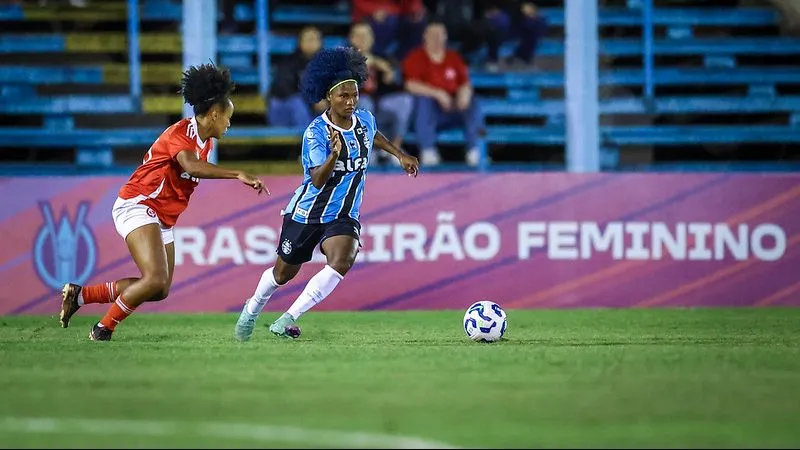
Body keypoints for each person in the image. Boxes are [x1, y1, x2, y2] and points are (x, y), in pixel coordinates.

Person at [59, 63, 267, 341]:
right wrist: (237, 173)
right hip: (138, 204)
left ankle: (81, 296)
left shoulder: (204, 142)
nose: (229, 123)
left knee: (159, 288)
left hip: (161, 217)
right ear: (214, 114)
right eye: (228, 117)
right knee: (154, 278)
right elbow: (191, 167)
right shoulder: (180, 135)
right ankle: (102, 329)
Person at [233, 47, 420, 341]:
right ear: (329, 97)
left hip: (344, 213)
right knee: (283, 274)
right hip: (308, 212)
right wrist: (334, 155)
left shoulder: (365, 120)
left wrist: (400, 155)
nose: (350, 101)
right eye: (343, 96)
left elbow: (375, 136)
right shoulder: (315, 133)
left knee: (343, 259)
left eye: (354, 95)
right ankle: (253, 307)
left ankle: (287, 319)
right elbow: (318, 180)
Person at [402, 20, 485, 166]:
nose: (437, 38)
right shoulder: (415, 57)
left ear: (446, 37)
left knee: (473, 101)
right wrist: (438, 93)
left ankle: (473, 149)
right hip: (428, 113)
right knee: (423, 100)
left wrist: (464, 93)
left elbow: (465, 82)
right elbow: (410, 85)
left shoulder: (453, 57)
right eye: (433, 34)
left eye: (440, 34)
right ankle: (428, 150)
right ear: (425, 36)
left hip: (453, 108)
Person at [348, 22, 414, 167]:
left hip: (380, 103)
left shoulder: (382, 56)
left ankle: (394, 149)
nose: (363, 39)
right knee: (365, 102)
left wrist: (389, 73)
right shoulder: (343, 58)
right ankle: (366, 150)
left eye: (366, 36)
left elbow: (397, 79)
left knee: (405, 100)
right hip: (355, 107)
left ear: (372, 39)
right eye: (359, 36)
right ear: (351, 38)